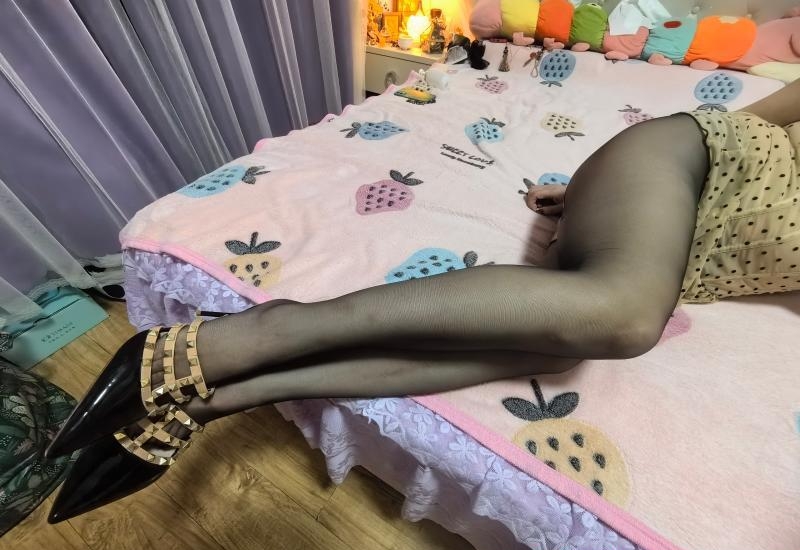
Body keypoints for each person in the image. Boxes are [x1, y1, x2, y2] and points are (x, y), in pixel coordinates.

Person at [45, 80, 800, 522]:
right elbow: (756, 120)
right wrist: (593, 192)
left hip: (670, 253)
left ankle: (216, 397)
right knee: (626, 319)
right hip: (688, 160)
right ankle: (242, 335)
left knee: (558, 346)